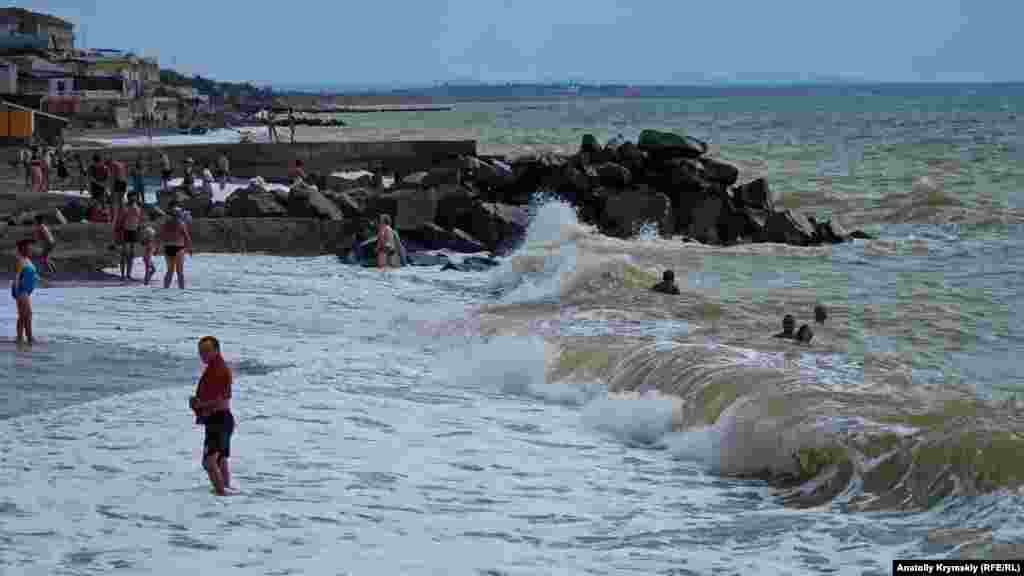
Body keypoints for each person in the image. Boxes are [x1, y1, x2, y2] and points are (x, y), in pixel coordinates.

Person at [189, 336, 235, 496]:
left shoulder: (220, 370)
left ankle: (222, 493)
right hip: (222, 419)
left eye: (207, 351)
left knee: (209, 462)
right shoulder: (214, 368)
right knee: (220, 459)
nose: (203, 355)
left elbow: (220, 399)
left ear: (217, 350)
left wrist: (199, 405)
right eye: (201, 352)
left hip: (220, 419)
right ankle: (225, 495)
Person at [160, 201, 193, 289]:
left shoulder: (166, 223)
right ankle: (181, 290)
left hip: (168, 247)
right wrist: (190, 249)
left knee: (170, 271)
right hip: (178, 247)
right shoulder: (181, 224)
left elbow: (161, 236)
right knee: (180, 272)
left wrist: (156, 248)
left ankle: (165, 289)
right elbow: (187, 237)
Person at [11, 239, 38, 345]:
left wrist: (41, 280)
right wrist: (17, 293)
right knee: (27, 314)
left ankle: (21, 338)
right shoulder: (21, 260)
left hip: (25, 291)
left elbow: (32, 274)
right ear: (23, 249)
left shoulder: (27, 260)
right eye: (29, 247)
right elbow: (17, 277)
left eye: (31, 247)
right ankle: (28, 337)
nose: (31, 249)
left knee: (24, 315)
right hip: (21, 291)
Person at [114, 192, 144, 280]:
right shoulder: (125, 207)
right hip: (125, 230)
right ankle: (123, 275)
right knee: (124, 253)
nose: (134, 198)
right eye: (132, 197)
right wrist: (118, 230)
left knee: (131, 254)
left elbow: (139, 220)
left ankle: (128, 275)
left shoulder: (138, 207)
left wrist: (139, 229)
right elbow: (120, 219)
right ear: (129, 197)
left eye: (135, 197)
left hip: (133, 231)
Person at [141, 217, 157, 285]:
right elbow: (148, 250)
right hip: (147, 257)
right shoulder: (149, 243)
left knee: (152, 270)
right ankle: (146, 282)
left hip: (147, 257)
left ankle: (146, 281)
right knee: (149, 270)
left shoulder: (149, 242)